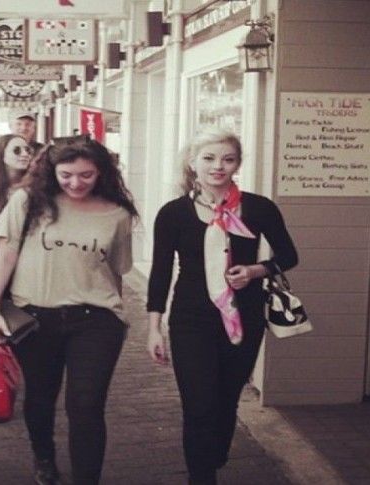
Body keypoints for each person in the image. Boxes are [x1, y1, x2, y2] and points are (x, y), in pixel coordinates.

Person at [0, 138, 137, 485]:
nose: (76, 183)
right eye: (67, 175)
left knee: (86, 404)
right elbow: (5, 255)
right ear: (52, 171)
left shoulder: (117, 214)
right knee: (40, 397)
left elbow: (115, 270)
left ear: (101, 172)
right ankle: (44, 457)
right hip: (35, 318)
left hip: (96, 320)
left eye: (86, 175)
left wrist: (118, 314)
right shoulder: (27, 201)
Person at [146, 129, 298, 485]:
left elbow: (289, 255)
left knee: (226, 399)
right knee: (198, 405)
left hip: (244, 316)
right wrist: (154, 327)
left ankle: (212, 455)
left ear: (237, 164)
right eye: (209, 158)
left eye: (228, 159)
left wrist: (255, 271)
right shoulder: (173, 213)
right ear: (193, 162)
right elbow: (160, 272)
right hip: (191, 318)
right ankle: (202, 476)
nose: (218, 166)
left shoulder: (259, 208)